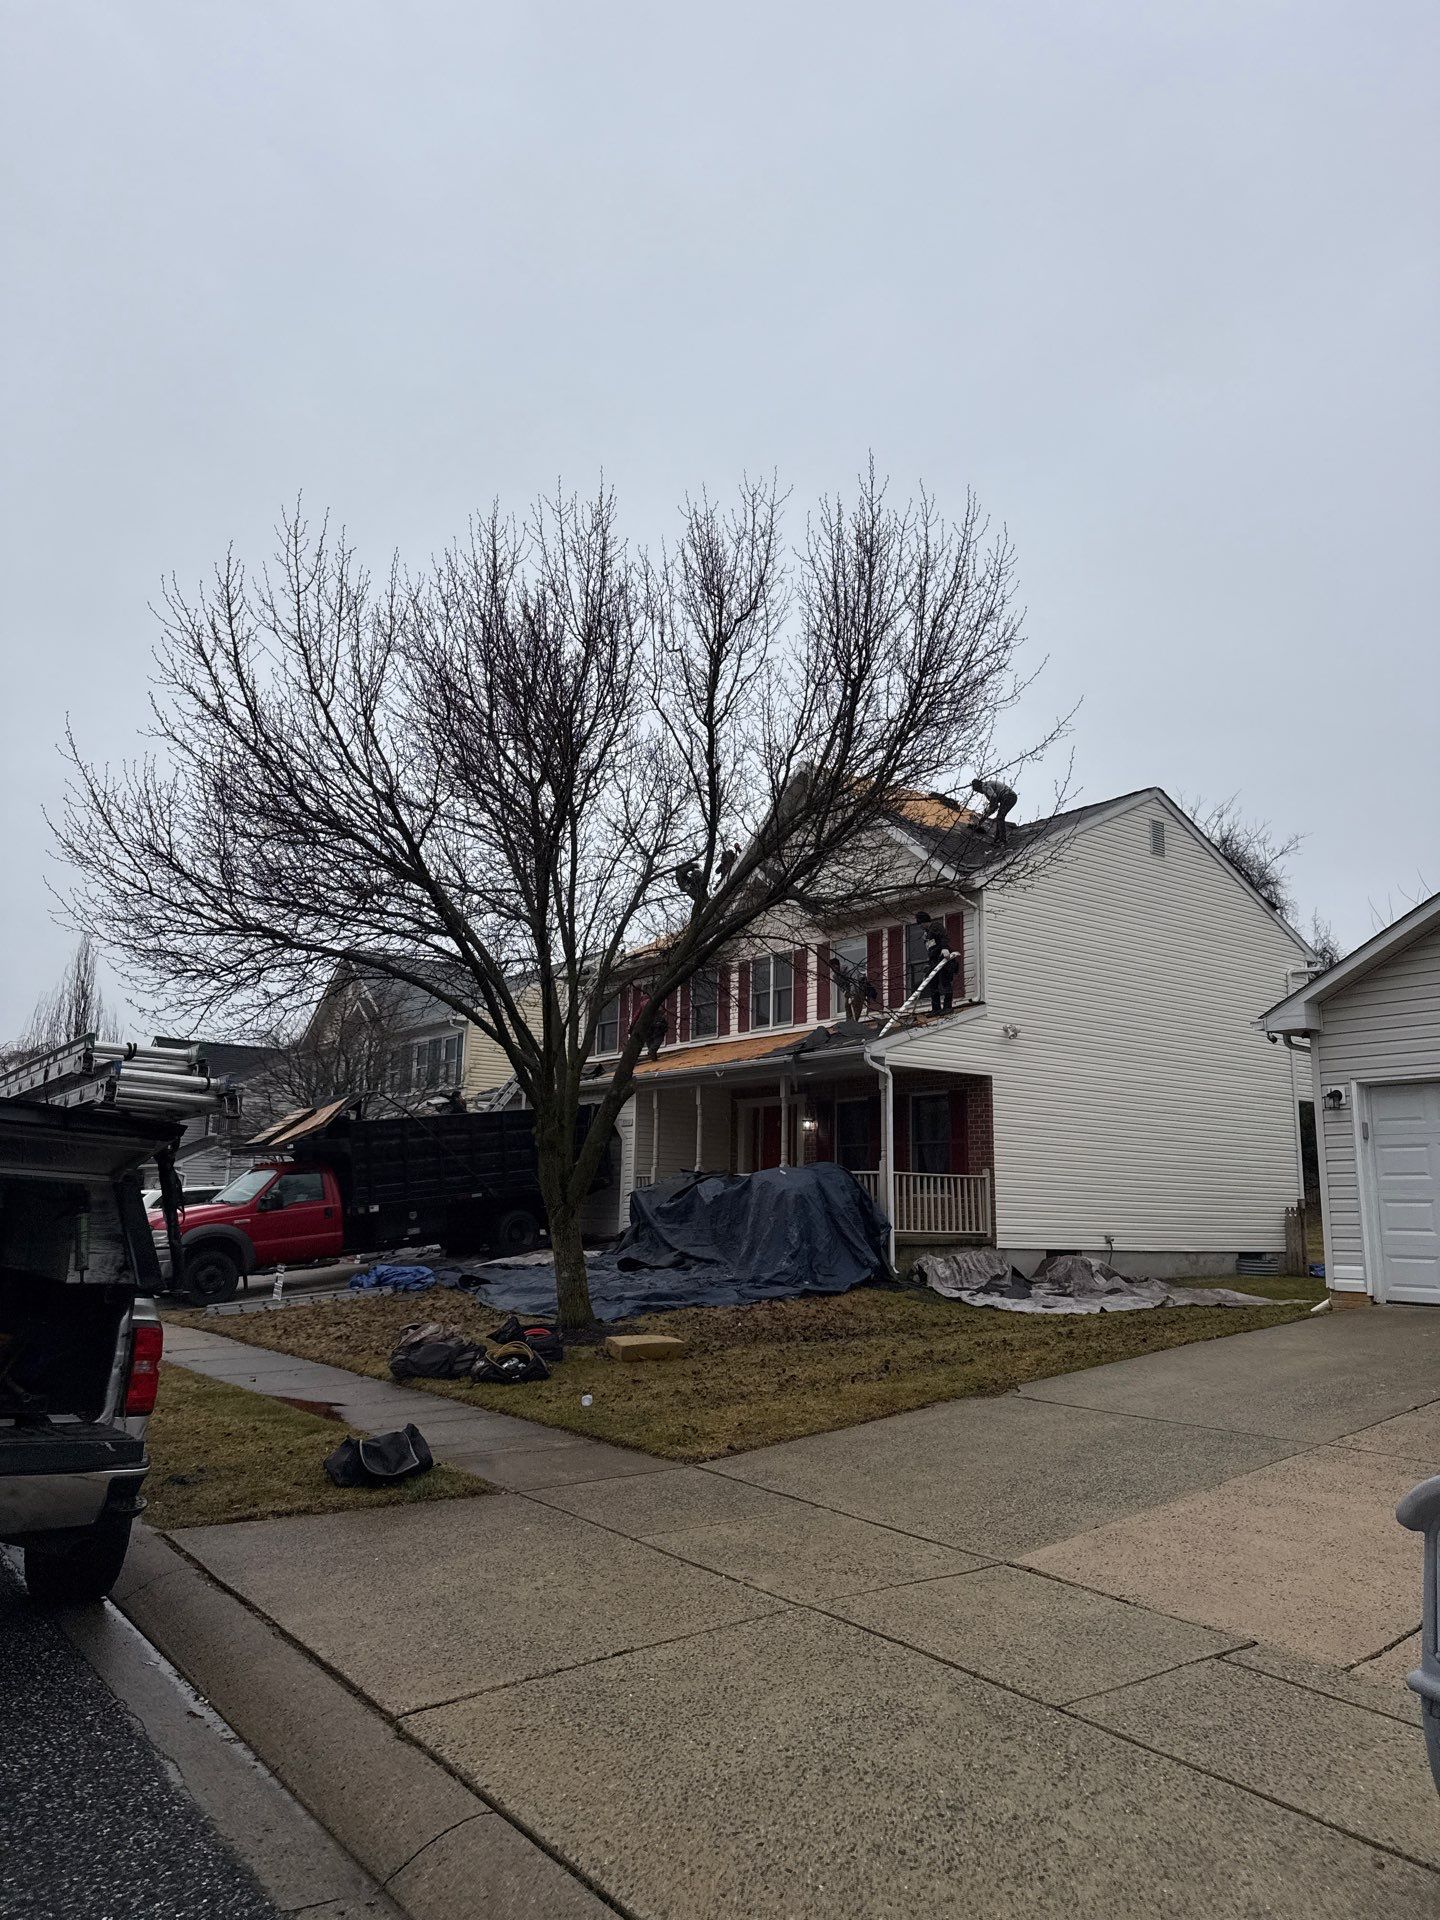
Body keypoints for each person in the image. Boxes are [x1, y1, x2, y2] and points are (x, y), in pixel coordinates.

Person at [914, 910, 961, 1014]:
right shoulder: (926, 935)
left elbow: (944, 937)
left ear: (925, 921)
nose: (920, 926)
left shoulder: (936, 927)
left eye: (921, 923)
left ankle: (947, 1007)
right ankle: (936, 1009)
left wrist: (945, 949)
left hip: (944, 959)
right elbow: (931, 950)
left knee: (945, 982)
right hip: (934, 961)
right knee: (933, 984)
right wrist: (929, 963)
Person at [968, 777, 1017, 845]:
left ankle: (1002, 840)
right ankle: (997, 839)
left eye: (977, 789)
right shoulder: (987, 789)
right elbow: (994, 807)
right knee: (999, 817)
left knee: (1000, 817)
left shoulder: (985, 786)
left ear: (979, 785)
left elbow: (994, 799)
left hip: (1009, 796)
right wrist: (984, 817)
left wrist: (983, 818)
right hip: (1009, 797)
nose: (978, 792)